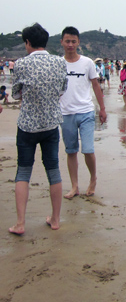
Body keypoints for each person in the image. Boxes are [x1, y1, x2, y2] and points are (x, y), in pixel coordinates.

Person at [8, 23, 68, 235]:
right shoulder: (59, 62)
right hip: (51, 124)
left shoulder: (21, 64)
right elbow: (62, 89)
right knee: (53, 170)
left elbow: (16, 94)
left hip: (27, 125)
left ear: (27, 42)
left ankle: (20, 223)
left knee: (23, 171)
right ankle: (55, 219)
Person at [59, 27, 107, 199]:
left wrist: (102, 108)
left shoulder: (87, 63)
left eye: (73, 41)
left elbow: (95, 85)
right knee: (71, 151)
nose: (70, 45)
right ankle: (74, 186)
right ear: (62, 42)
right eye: (67, 41)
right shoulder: (58, 63)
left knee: (87, 149)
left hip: (86, 111)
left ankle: (93, 178)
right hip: (66, 113)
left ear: (78, 42)